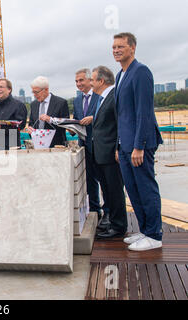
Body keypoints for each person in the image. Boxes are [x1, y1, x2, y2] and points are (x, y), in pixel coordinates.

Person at [113, 32, 164, 251]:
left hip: (138, 144)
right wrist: (118, 145)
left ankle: (154, 234)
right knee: (132, 190)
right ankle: (144, 229)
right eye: (114, 47)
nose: (116, 50)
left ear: (132, 48)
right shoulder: (120, 75)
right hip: (124, 144)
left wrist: (139, 146)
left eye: (121, 47)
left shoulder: (141, 72)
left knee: (145, 188)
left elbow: (144, 112)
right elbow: (121, 114)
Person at [90, 66, 128, 239]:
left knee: (115, 191)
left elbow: (120, 125)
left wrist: (118, 148)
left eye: (92, 80)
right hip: (101, 154)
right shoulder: (102, 99)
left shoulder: (114, 97)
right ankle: (112, 222)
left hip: (111, 154)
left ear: (101, 81)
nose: (90, 83)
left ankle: (119, 227)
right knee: (107, 190)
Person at [73, 69, 109, 228]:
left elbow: (108, 115)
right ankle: (95, 210)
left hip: (100, 145)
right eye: (76, 81)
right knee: (89, 180)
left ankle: (108, 211)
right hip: (84, 145)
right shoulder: (77, 100)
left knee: (106, 180)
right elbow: (76, 119)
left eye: (81, 80)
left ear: (91, 80)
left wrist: (93, 118)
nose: (79, 84)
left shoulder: (100, 96)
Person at [0, 79, 27, 150]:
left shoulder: (18, 105)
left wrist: (0, 129)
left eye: (1, 87)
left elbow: (21, 126)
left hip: (11, 147)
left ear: (9, 89)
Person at [28, 76, 69, 147]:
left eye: (36, 92)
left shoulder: (61, 103)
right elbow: (31, 123)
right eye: (33, 92)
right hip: (38, 146)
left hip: (57, 147)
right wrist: (30, 130)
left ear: (46, 90)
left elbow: (66, 123)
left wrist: (50, 119)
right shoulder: (33, 105)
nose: (34, 95)